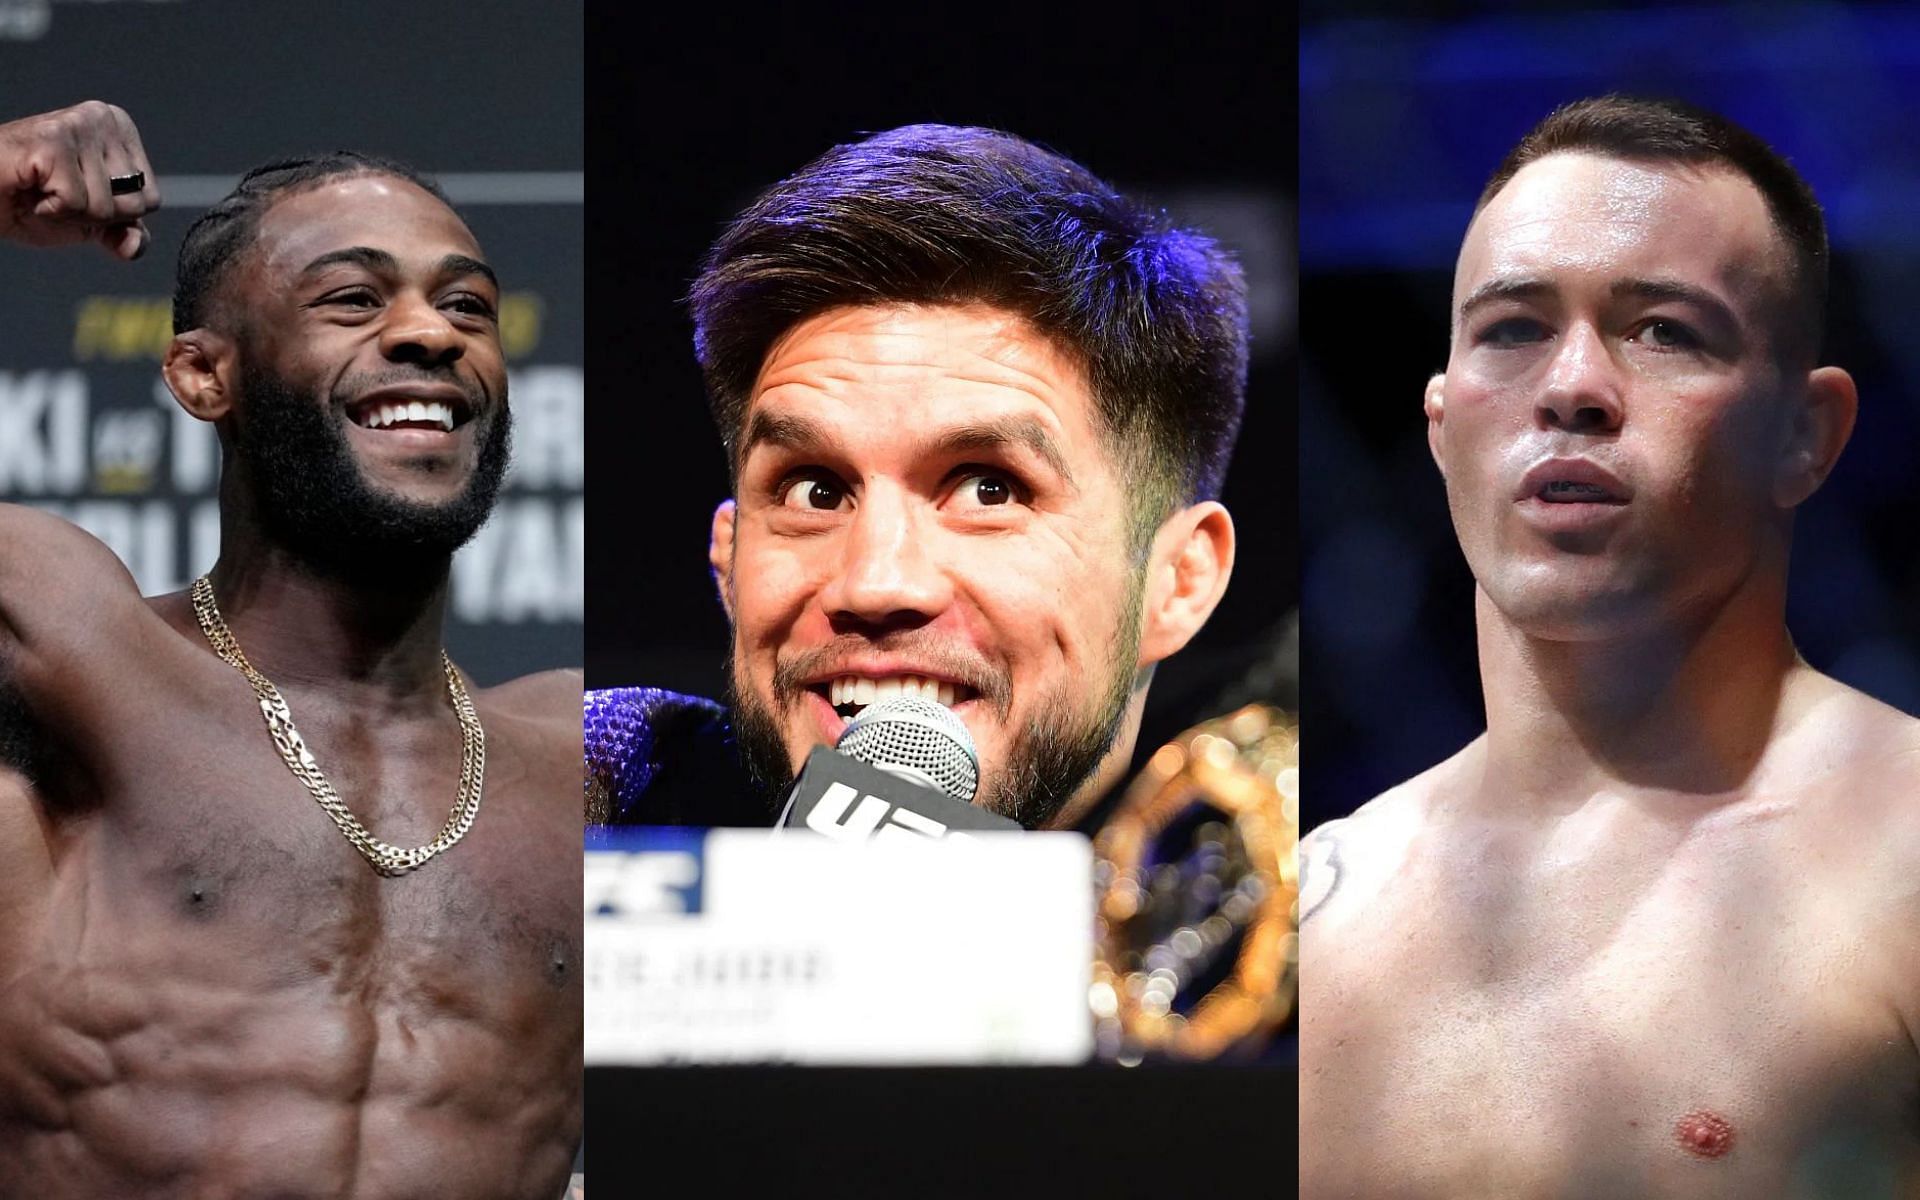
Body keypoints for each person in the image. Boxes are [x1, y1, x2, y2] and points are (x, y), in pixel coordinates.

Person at [1300, 95, 1920, 1196]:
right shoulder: (1315, 908)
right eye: (1514, 329)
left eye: (1664, 330)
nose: (1574, 388)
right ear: (1441, 426)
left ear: (1804, 433)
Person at [0, 103, 582, 1198]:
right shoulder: (71, 655)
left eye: (469, 306)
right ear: (202, 375)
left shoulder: (582, 759)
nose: (430, 334)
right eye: (353, 300)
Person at [587, 123, 1247, 831]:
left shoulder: (1283, 913)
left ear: (1177, 580)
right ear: (728, 562)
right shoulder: (601, 805)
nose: (875, 585)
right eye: (816, 491)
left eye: (987, 489)